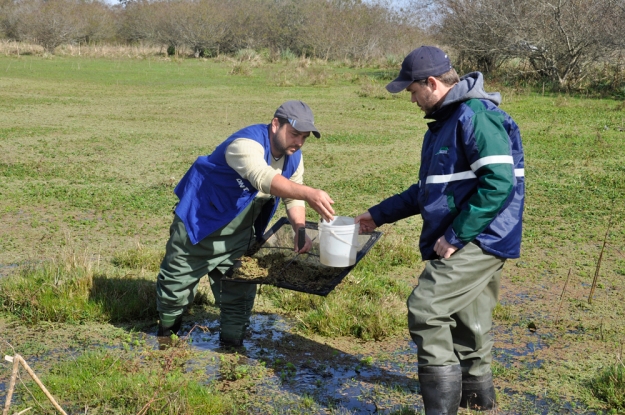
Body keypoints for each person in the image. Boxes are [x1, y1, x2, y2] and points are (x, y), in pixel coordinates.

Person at [355, 46, 525, 414]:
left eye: (413, 92)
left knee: (426, 308)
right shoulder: (445, 122)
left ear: (431, 83)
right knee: (470, 321)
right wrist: (377, 215)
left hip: (481, 235)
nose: (411, 99)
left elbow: (498, 183)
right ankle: (479, 403)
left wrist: (456, 236)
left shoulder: (475, 115)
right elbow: (429, 191)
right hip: (476, 232)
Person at [156, 100, 335, 347]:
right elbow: (263, 179)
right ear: (275, 124)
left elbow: (292, 197)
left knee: (239, 297)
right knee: (174, 289)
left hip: (240, 235)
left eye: (304, 137)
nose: (299, 142)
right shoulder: (244, 145)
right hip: (199, 226)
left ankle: (232, 354)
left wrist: (300, 229)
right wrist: (309, 193)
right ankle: (166, 340)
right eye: (295, 134)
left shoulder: (294, 158)